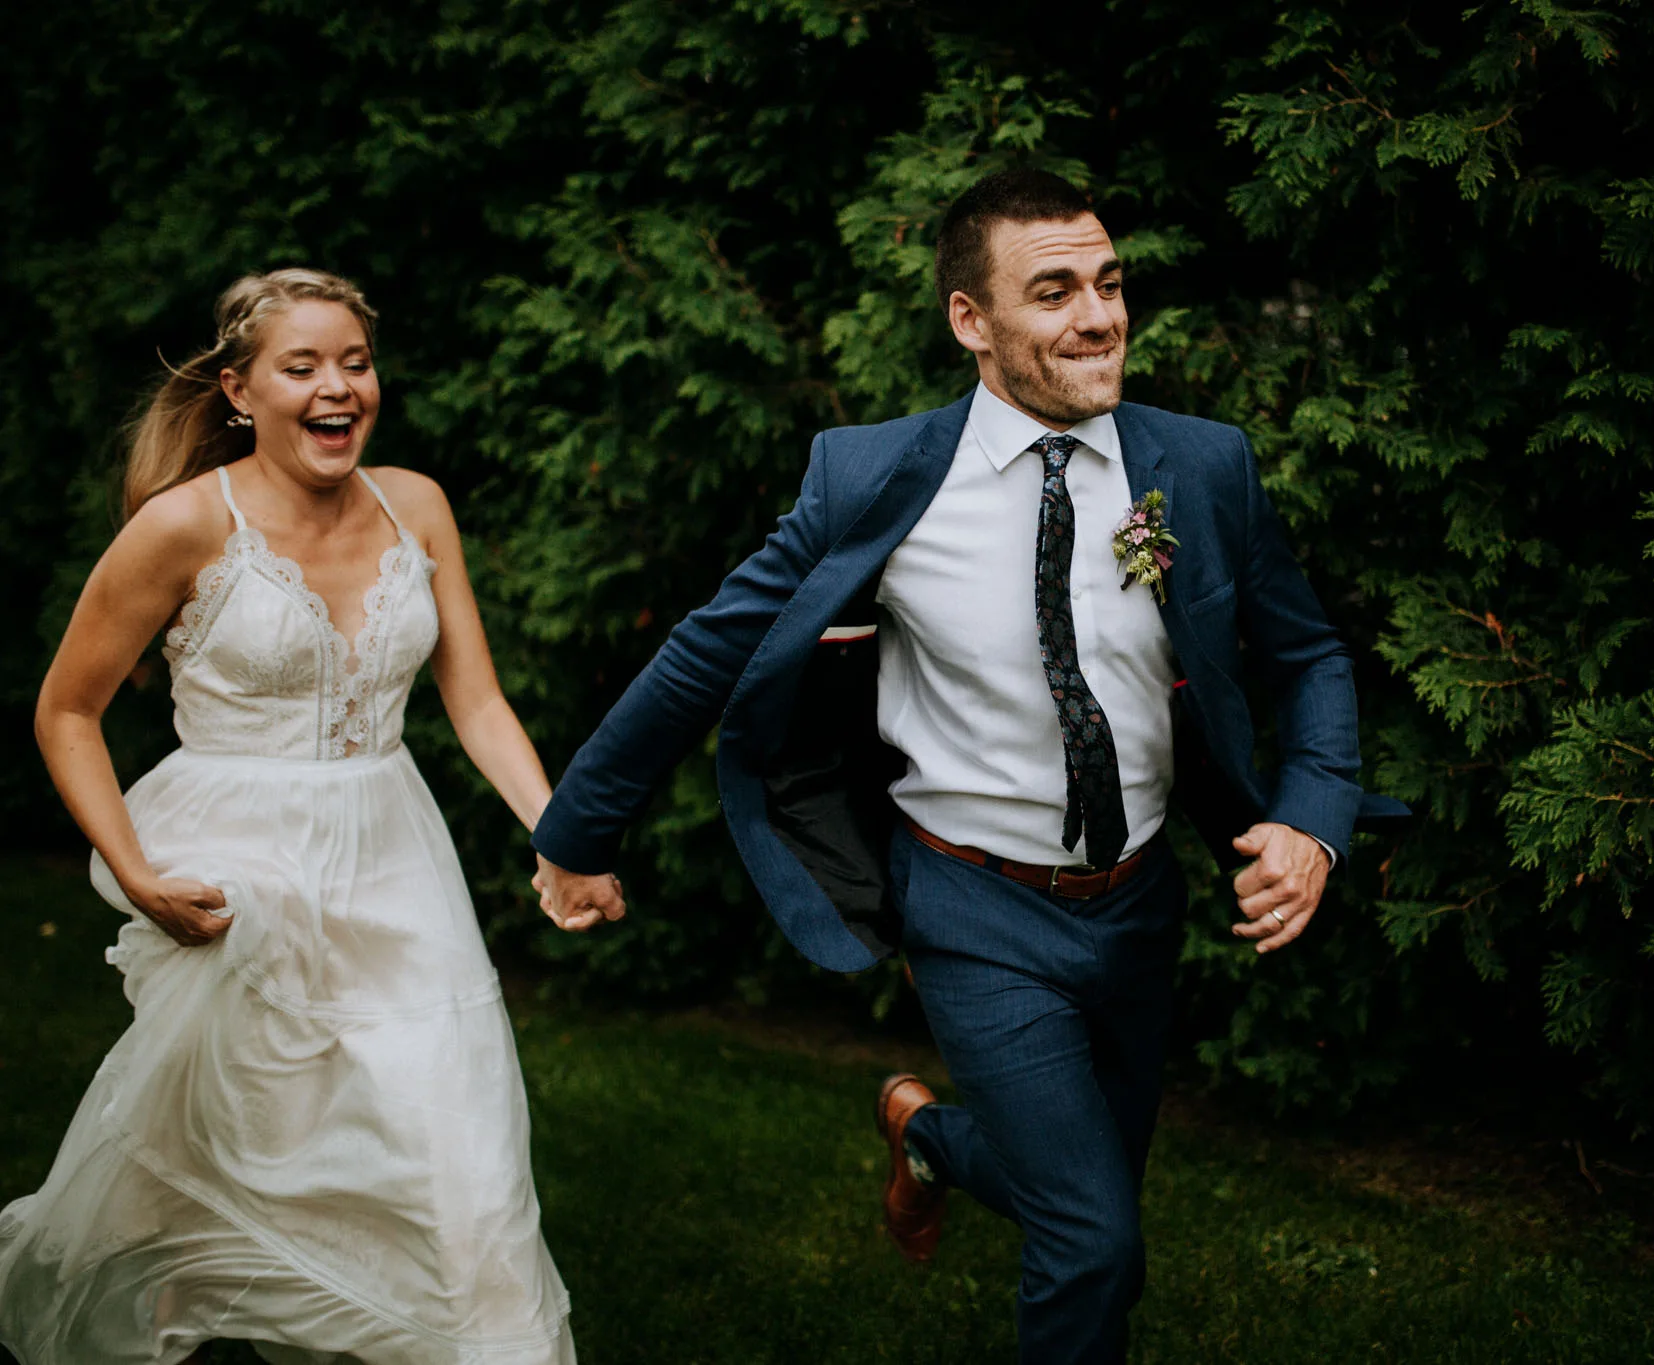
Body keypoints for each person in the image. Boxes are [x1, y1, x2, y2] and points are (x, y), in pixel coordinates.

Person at [529, 168, 1405, 1364]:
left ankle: (933, 1140)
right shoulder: (869, 479)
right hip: (971, 905)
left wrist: (1310, 817)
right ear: (969, 320)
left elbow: (1305, 654)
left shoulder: (1200, 467)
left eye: (1107, 284)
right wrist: (577, 834)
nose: (1097, 317)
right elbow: (705, 654)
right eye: (1054, 292)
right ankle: (967, 1157)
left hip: (1137, 903)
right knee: (1093, 1245)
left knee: (1092, 1207)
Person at [0, 269, 578, 1364]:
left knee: (451, 1132)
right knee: (231, 1139)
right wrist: (136, 873)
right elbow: (66, 710)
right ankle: (174, 1295)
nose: (337, 387)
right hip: (239, 865)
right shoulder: (182, 525)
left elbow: (476, 701)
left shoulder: (416, 505)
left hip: (395, 857)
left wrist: (562, 835)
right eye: (302, 366)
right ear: (239, 390)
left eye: (355, 362)